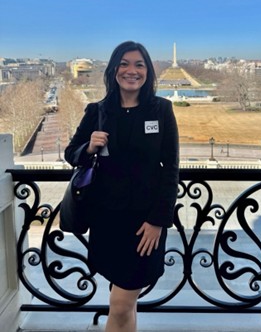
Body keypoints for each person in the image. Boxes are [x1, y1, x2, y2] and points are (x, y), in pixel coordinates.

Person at [64, 41, 179, 332]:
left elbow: (171, 169)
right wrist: (88, 147)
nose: (132, 70)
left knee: (120, 304)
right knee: (125, 305)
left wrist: (158, 220)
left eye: (139, 64)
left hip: (144, 225)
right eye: (125, 64)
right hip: (107, 220)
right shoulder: (98, 110)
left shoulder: (161, 110)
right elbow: (71, 153)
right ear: (114, 70)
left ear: (148, 71)